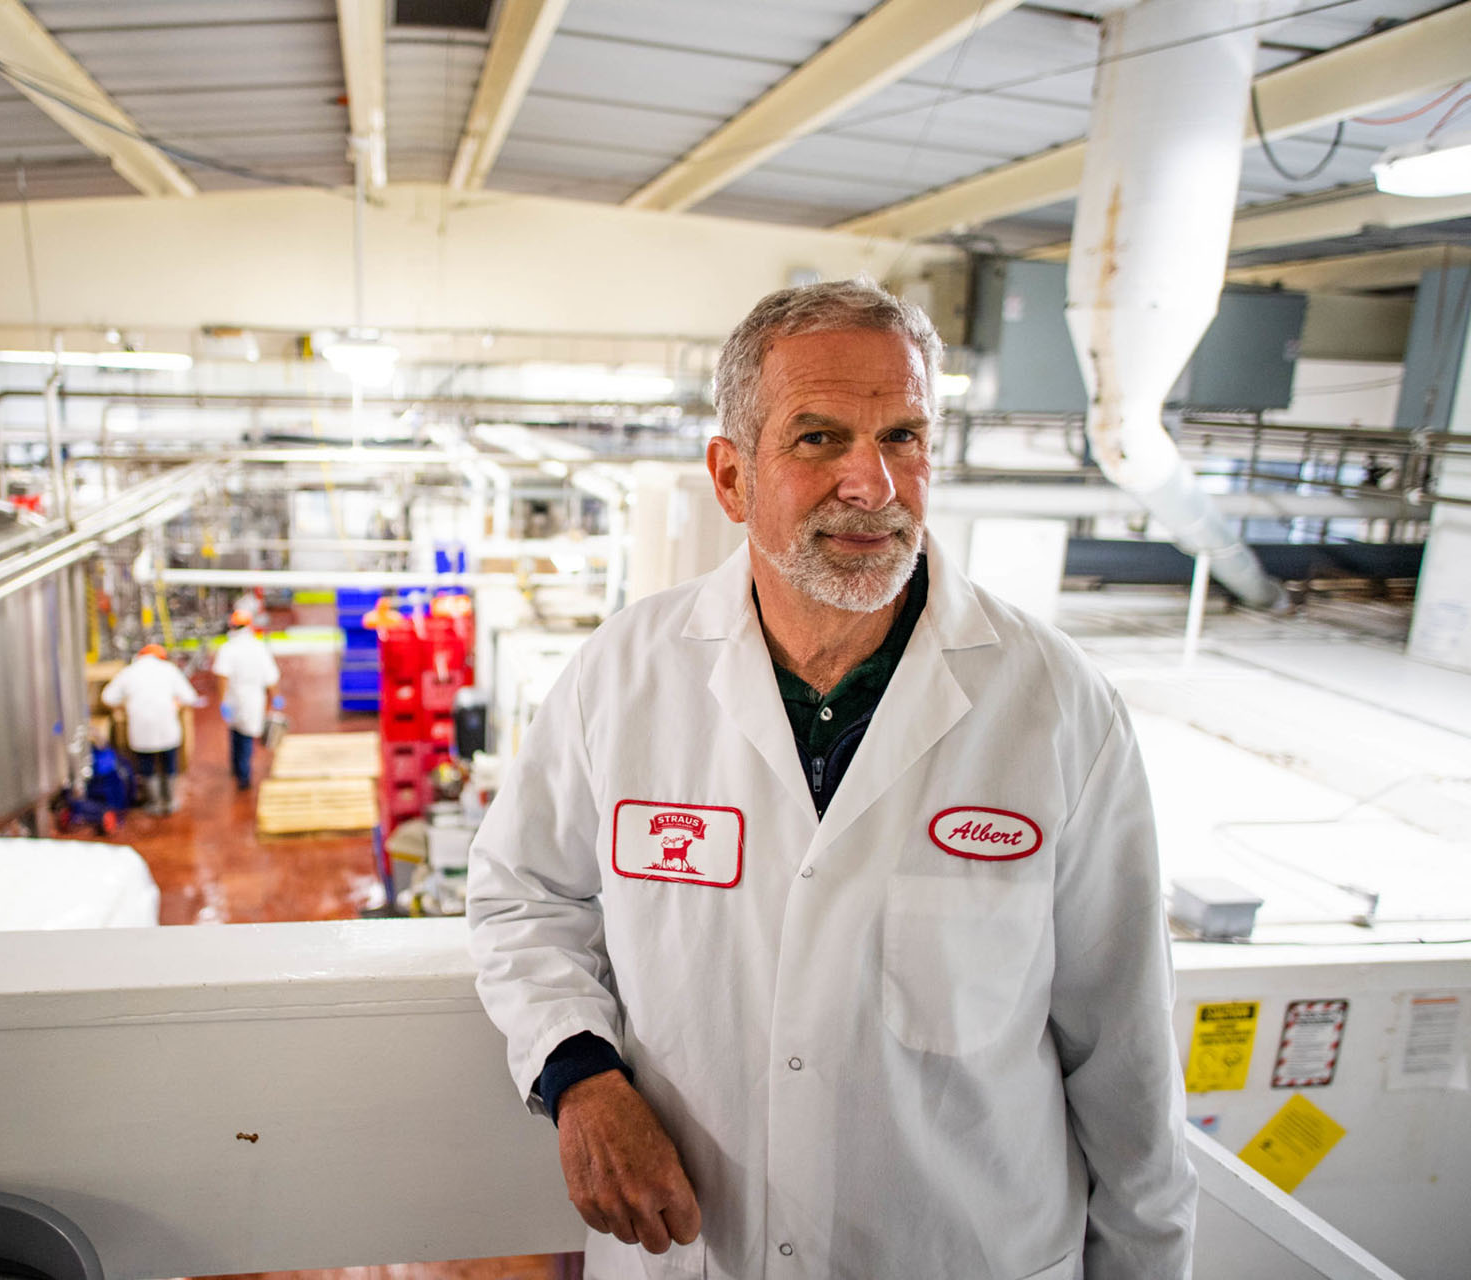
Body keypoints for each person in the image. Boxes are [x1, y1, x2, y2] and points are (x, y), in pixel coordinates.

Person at [467, 279, 1194, 1280]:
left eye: (903, 435)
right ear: (730, 477)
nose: (874, 484)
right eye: (818, 439)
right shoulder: (626, 673)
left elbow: (1129, 1056)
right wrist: (579, 1069)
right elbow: (521, 895)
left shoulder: (1056, 705)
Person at [100, 643, 202, 815]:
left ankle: (154, 803)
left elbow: (107, 698)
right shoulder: (169, 670)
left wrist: (124, 706)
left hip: (141, 730)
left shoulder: (129, 672)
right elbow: (190, 697)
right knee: (169, 764)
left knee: (147, 766)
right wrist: (176, 703)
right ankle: (169, 801)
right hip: (167, 728)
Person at [213, 608, 281, 791]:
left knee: (237, 734)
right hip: (252, 697)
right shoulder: (258, 647)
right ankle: (242, 774)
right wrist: (275, 697)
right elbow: (271, 676)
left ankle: (240, 772)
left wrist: (223, 701)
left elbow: (222, 676)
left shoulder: (228, 648)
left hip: (235, 696)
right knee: (245, 736)